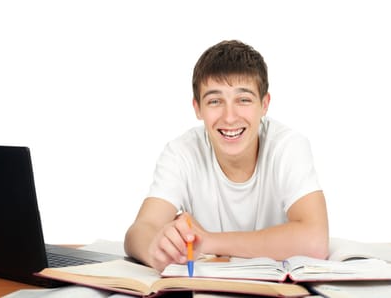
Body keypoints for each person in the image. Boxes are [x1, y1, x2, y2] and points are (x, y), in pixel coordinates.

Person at [124, 40, 329, 272]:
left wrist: (209, 241)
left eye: (243, 100)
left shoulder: (288, 146)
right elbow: (139, 231)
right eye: (214, 101)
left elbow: (315, 241)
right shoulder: (182, 152)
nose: (229, 117)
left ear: (264, 104)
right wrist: (155, 247)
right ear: (197, 108)